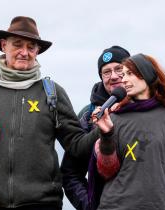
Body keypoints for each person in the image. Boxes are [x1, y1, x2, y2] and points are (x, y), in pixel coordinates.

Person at [0, 16, 99, 210]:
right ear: (3, 45)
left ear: (37, 51)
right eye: (17, 45)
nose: (24, 52)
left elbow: (77, 146)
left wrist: (102, 131)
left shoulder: (52, 92)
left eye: (31, 47)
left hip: (42, 204)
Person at [92, 54, 165, 210]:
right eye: (123, 74)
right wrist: (107, 136)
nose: (124, 79)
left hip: (161, 205)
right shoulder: (115, 117)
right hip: (116, 205)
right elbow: (107, 172)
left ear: (146, 75)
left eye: (129, 74)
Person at [60, 46, 130, 210]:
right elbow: (70, 174)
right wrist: (91, 205)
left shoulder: (151, 107)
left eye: (119, 69)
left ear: (131, 71)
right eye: (106, 72)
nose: (113, 76)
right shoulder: (88, 115)